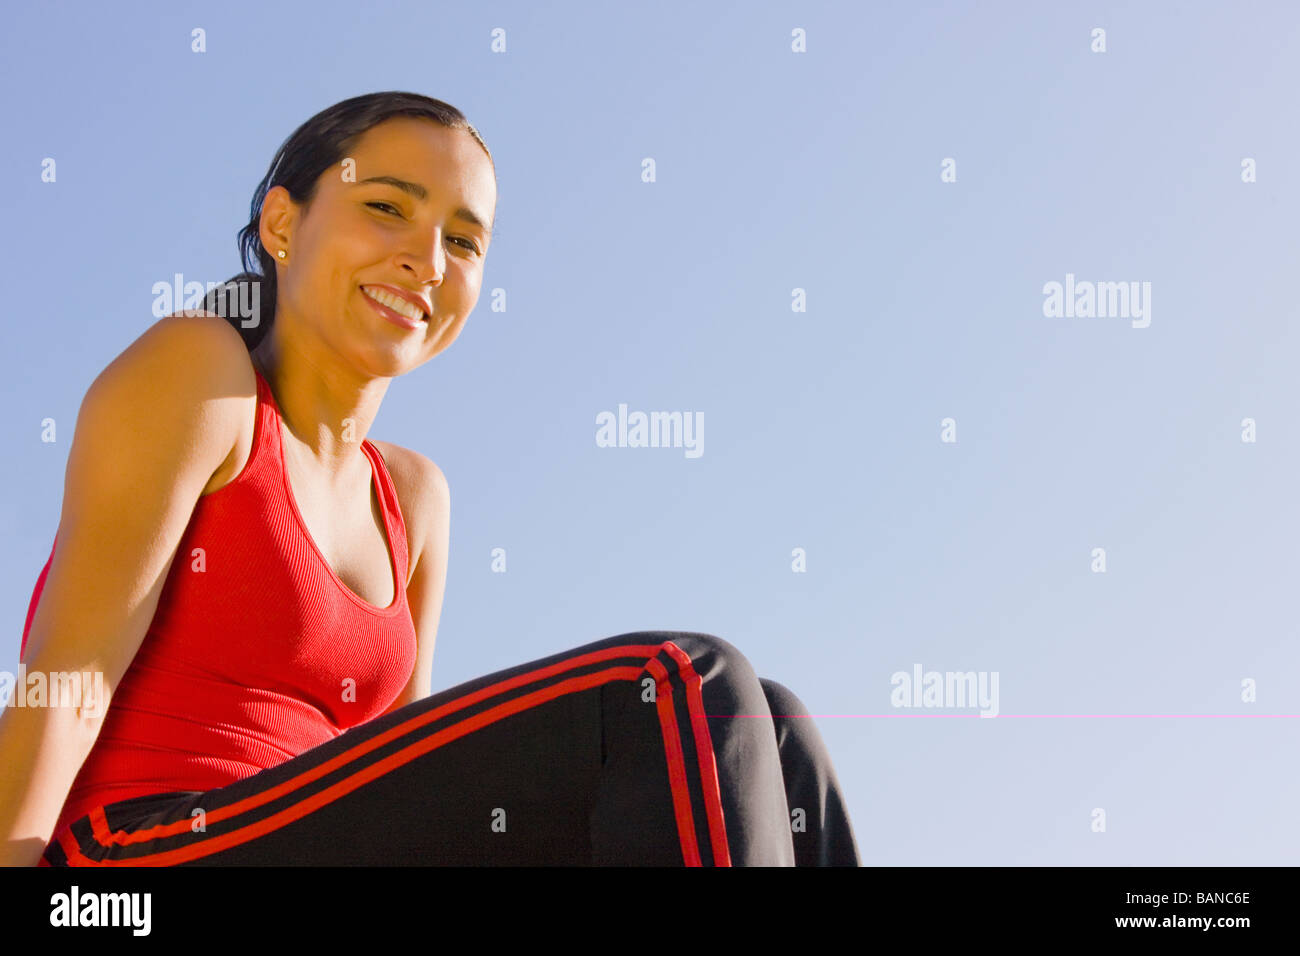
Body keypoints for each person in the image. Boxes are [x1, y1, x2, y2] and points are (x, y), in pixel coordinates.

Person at [0, 91, 860, 866]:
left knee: (766, 729)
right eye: (386, 210)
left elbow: (405, 775)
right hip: (139, 855)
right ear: (282, 225)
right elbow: (67, 679)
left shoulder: (415, 498)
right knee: (677, 684)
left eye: (463, 240)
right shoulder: (203, 376)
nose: (429, 260)